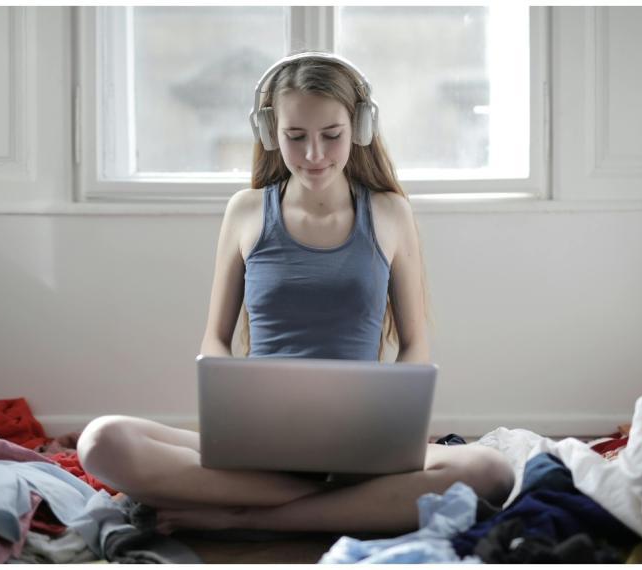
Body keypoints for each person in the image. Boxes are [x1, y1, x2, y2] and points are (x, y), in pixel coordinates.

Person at [77, 51, 514, 535]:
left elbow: (414, 345)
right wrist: (235, 417)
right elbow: (214, 341)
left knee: (490, 471)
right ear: (269, 133)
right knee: (101, 442)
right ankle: (344, 505)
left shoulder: (390, 213)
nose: (313, 155)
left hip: (361, 445)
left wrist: (393, 435)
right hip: (259, 445)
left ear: (360, 128)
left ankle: (248, 518)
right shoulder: (245, 212)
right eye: (295, 137)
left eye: (332, 136)